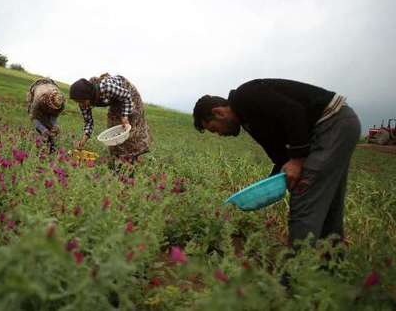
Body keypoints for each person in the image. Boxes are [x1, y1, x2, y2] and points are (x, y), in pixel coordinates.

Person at [192, 79, 361, 247]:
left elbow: (294, 112)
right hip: (338, 125)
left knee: (304, 194)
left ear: (219, 112)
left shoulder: (244, 97)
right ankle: (331, 263)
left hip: (332, 122)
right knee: (328, 204)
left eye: (214, 129)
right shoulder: (249, 120)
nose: (219, 134)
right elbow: (281, 158)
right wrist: (266, 188)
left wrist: (297, 159)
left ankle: (294, 269)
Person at [69, 73, 151, 162]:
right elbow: (88, 122)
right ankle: (118, 159)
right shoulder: (84, 103)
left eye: (81, 101)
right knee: (113, 128)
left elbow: (126, 96)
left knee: (130, 128)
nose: (80, 104)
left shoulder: (106, 88)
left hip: (129, 95)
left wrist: (125, 117)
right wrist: (83, 140)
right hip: (115, 100)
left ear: (88, 95)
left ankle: (134, 157)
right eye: (77, 101)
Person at [26, 78, 65, 153]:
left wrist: (55, 125)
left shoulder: (60, 100)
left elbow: (54, 116)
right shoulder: (37, 100)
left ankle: (51, 146)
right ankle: (41, 145)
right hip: (36, 90)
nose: (50, 111)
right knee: (41, 124)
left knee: (50, 127)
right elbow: (34, 118)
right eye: (50, 108)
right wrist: (43, 129)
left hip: (50, 86)